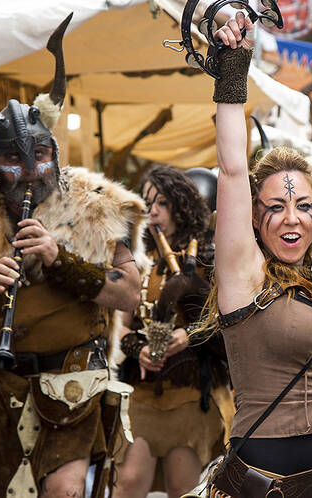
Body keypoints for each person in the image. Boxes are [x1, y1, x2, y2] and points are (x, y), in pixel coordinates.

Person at [0, 17, 146, 498]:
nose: (29, 172)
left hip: (72, 379)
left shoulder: (94, 204)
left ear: (54, 152)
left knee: (64, 489)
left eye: (39, 155)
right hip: (0, 384)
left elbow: (128, 293)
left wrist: (62, 262)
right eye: (13, 161)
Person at [199, 11, 312, 496]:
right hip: (265, 484)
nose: (292, 218)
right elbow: (232, 171)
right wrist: (233, 68)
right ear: (255, 218)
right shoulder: (244, 275)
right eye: (275, 207)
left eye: (303, 206)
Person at [113, 165, 234, 498]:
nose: (151, 211)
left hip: (191, 393)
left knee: (183, 489)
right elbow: (120, 323)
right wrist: (136, 348)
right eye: (147, 202)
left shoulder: (206, 255)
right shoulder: (133, 256)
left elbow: (226, 322)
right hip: (141, 392)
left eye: (161, 203)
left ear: (180, 205)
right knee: (128, 482)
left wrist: (189, 336)